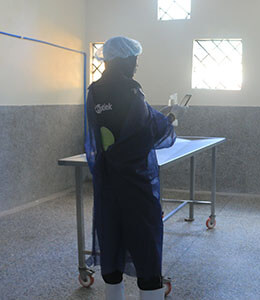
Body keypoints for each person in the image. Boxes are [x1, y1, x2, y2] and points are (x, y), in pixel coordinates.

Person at [85, 36, 187, 300]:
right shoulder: (131, 90)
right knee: (146, 244)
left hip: (108, 181)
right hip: (137, 183)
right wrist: (172, 118)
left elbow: (102, 135)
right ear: (125, 59)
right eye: (134, 60)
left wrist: (156, 116)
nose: (136, 66)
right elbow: (146, 132)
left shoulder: (94, 91)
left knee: (112, 237)